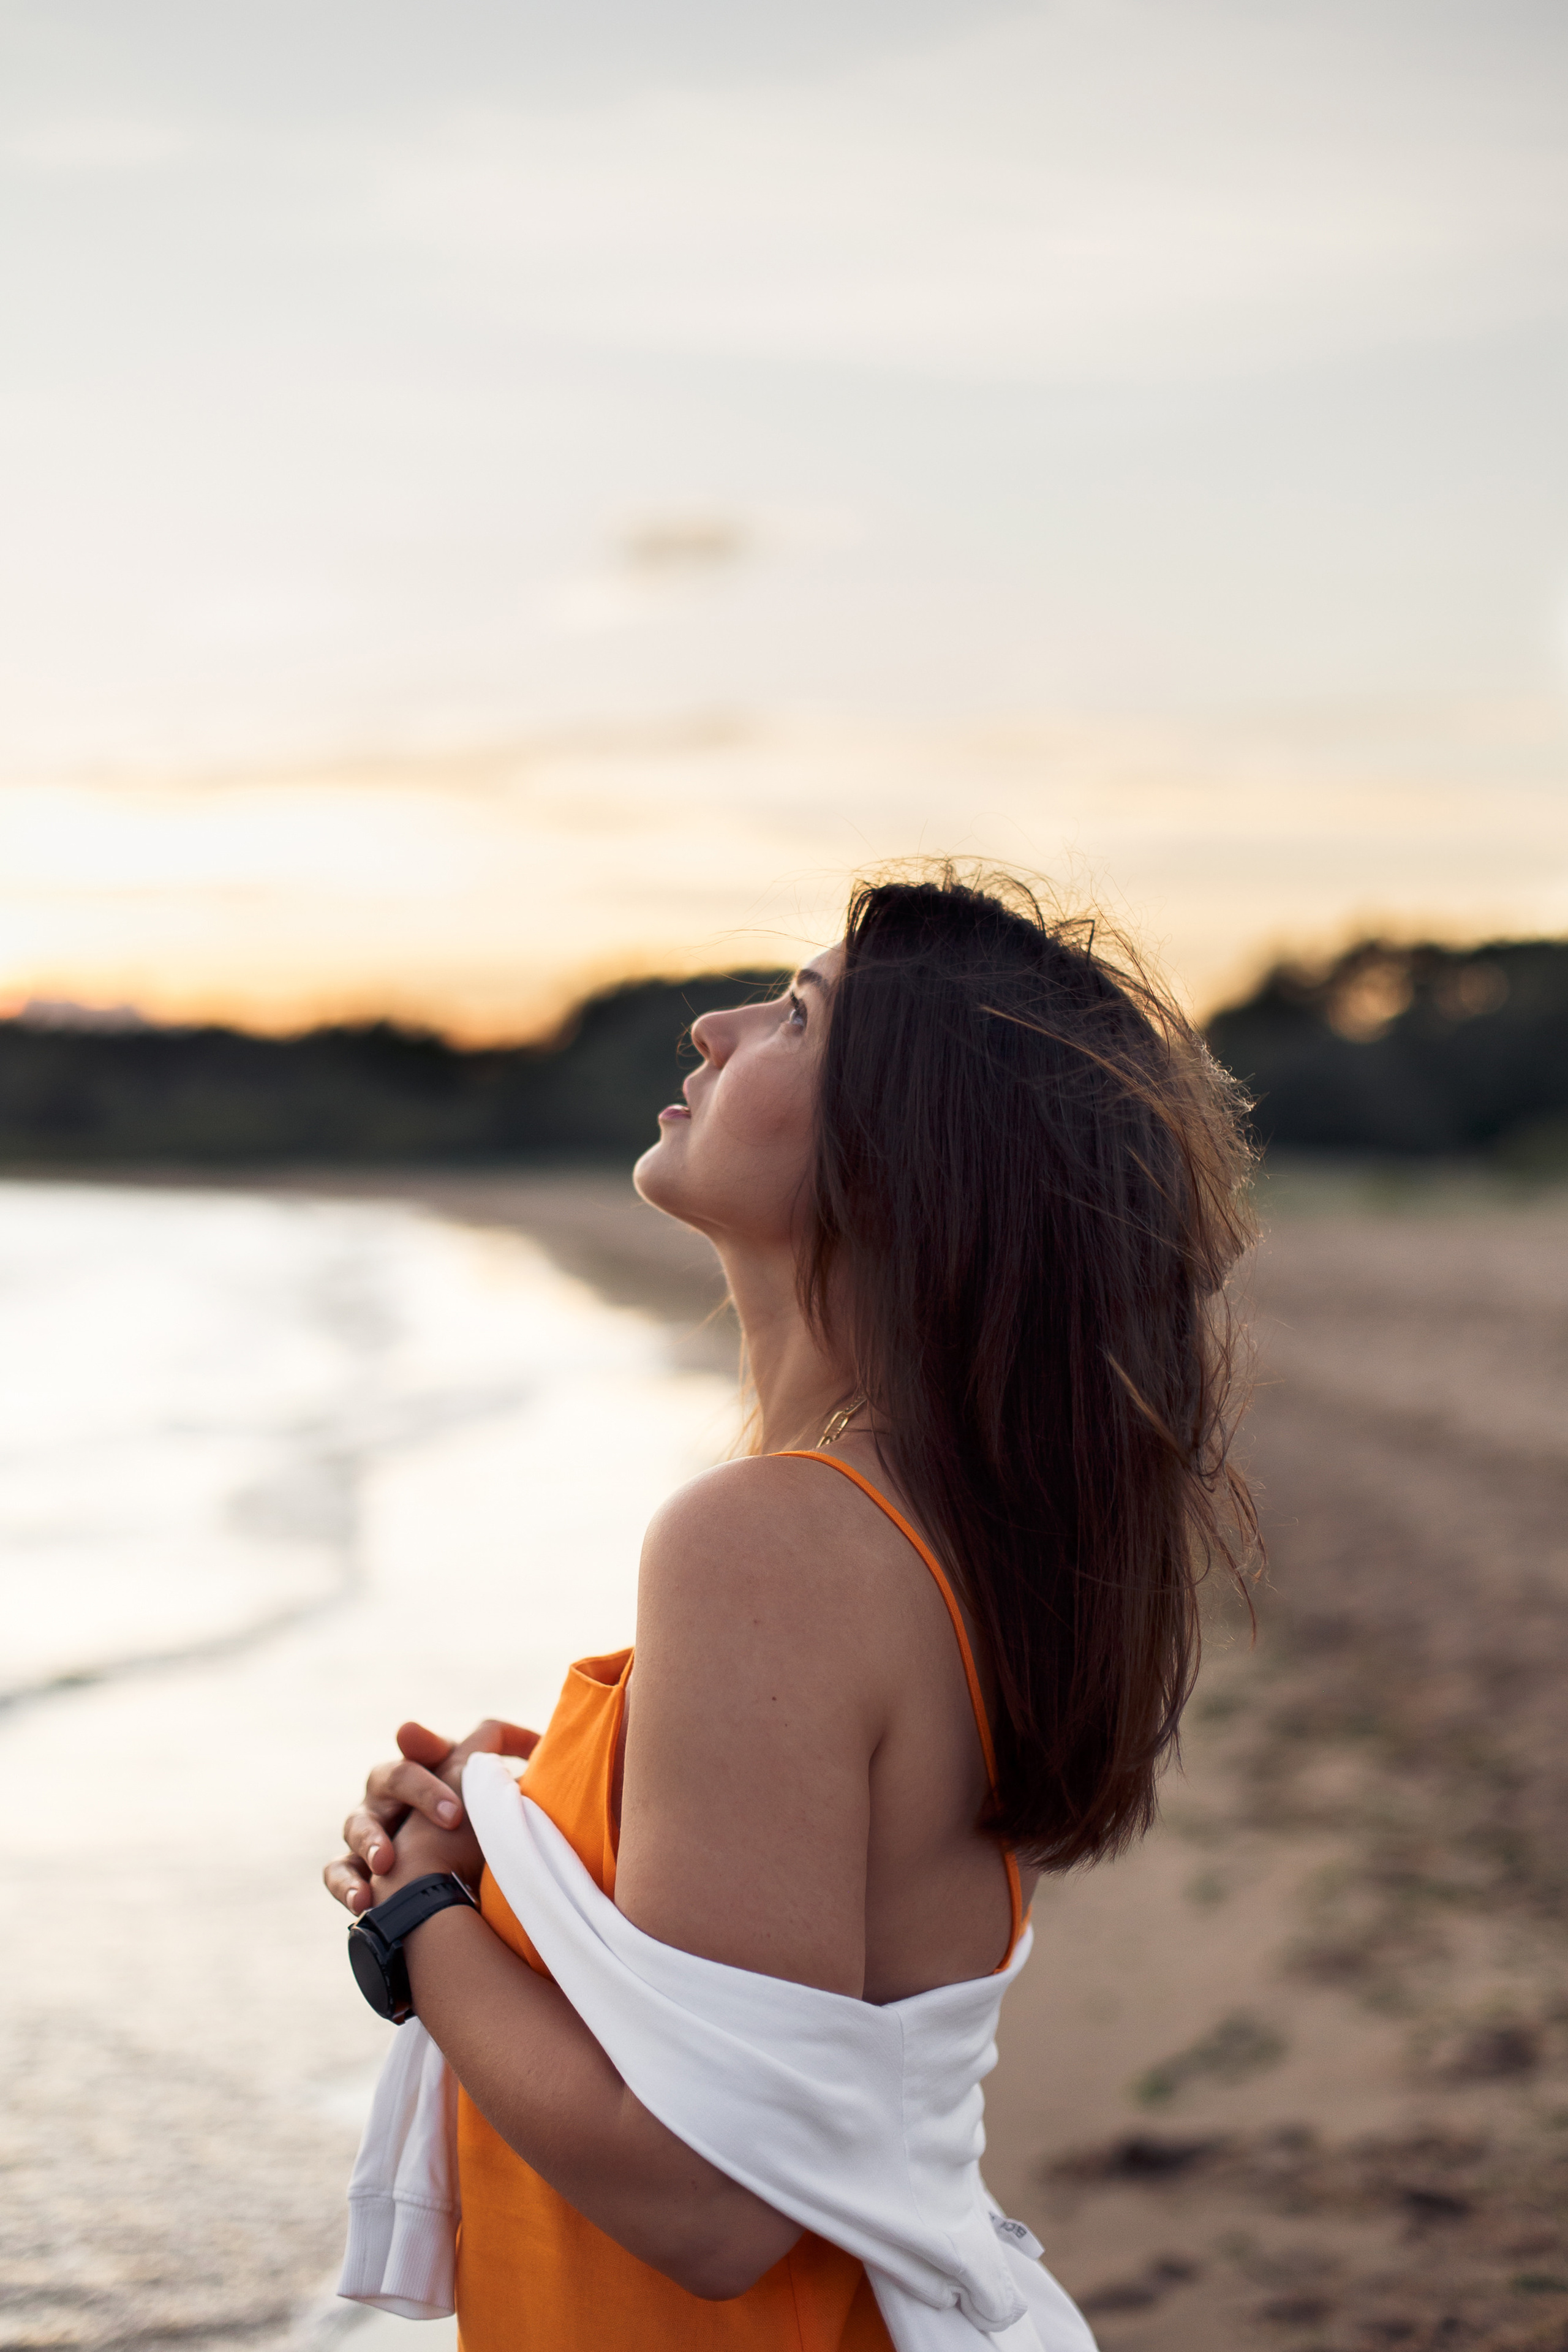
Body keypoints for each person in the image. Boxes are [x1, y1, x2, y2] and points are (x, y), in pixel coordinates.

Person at [322, 866, 1257, 2351]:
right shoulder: (929, 1525)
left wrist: (418, 1912)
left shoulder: (774, 1542)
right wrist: (525, 1833)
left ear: (903, 1157)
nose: (711, 1024)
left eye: (797, 1014)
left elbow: (706, 2205)